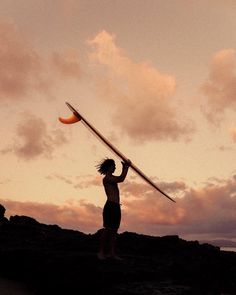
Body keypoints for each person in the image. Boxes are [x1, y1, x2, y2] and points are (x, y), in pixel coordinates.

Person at [96, 158, 131, 260]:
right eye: (114, 165)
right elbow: (121, 179)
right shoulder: (107, 179)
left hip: (116, 207)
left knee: (114, 231)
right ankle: (101, 252)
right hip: (110, 206)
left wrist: (125, 167)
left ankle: (111, 253)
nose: (115, 167)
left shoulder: (112, 178)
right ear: (109, 167)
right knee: (108, 230)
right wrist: (126, 167)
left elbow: (120, 178)